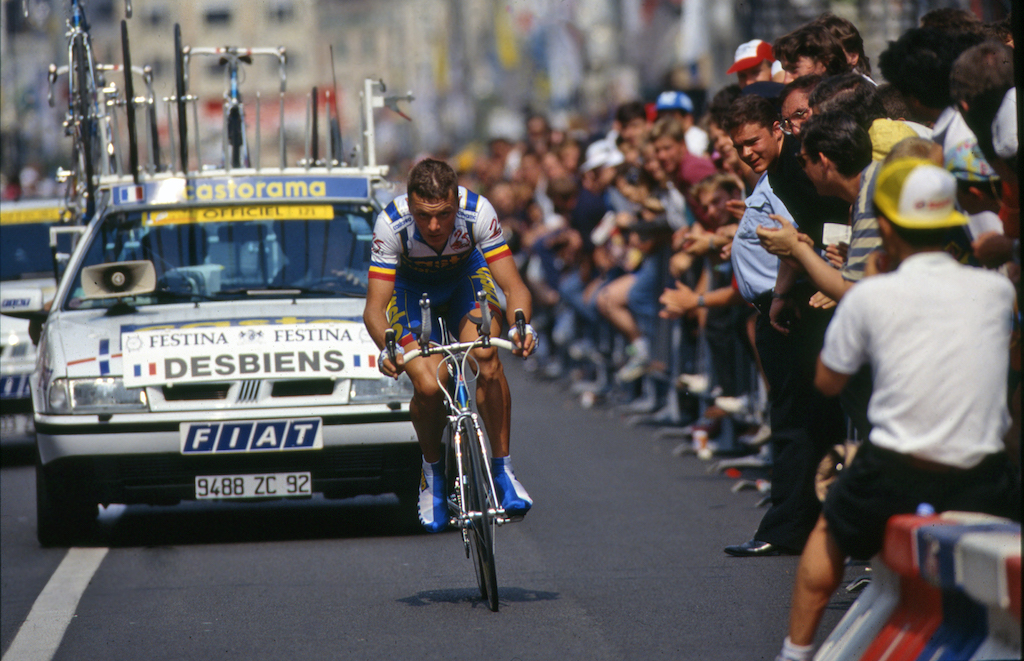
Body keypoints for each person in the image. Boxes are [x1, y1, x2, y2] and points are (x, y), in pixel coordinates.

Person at [773, 158, 1020, 661]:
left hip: (895, 469)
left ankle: (795, 653)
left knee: (829, 533)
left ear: (884, 225)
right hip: (982, 473)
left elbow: (827, 379)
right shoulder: (997, 291)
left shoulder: (872, 297)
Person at [364, 158, 537, 532]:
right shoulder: (390, 223)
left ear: (455, 203)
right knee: (428, 385)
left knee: (487, 356)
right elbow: (375, 309)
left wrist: (521, 325)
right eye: (424, 216)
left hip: (465, 282)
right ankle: (433, 478)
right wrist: (387, 347)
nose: (434, 226)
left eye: (443, 214)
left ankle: (503, 471)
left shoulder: (478, 211)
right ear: (409, 205)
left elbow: (513, 286)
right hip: (412, 292)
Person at [722, 93, 846, 557]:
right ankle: (811, 521)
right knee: (806, 418)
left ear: (778, 129)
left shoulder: (796, 166)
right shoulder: (780, 171)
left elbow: (799, 238)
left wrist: (785, 294)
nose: (746, 153)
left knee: (797, 420)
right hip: (797, 297)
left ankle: (789, 528)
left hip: (806, 302)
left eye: (752, 141)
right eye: (738, 147)